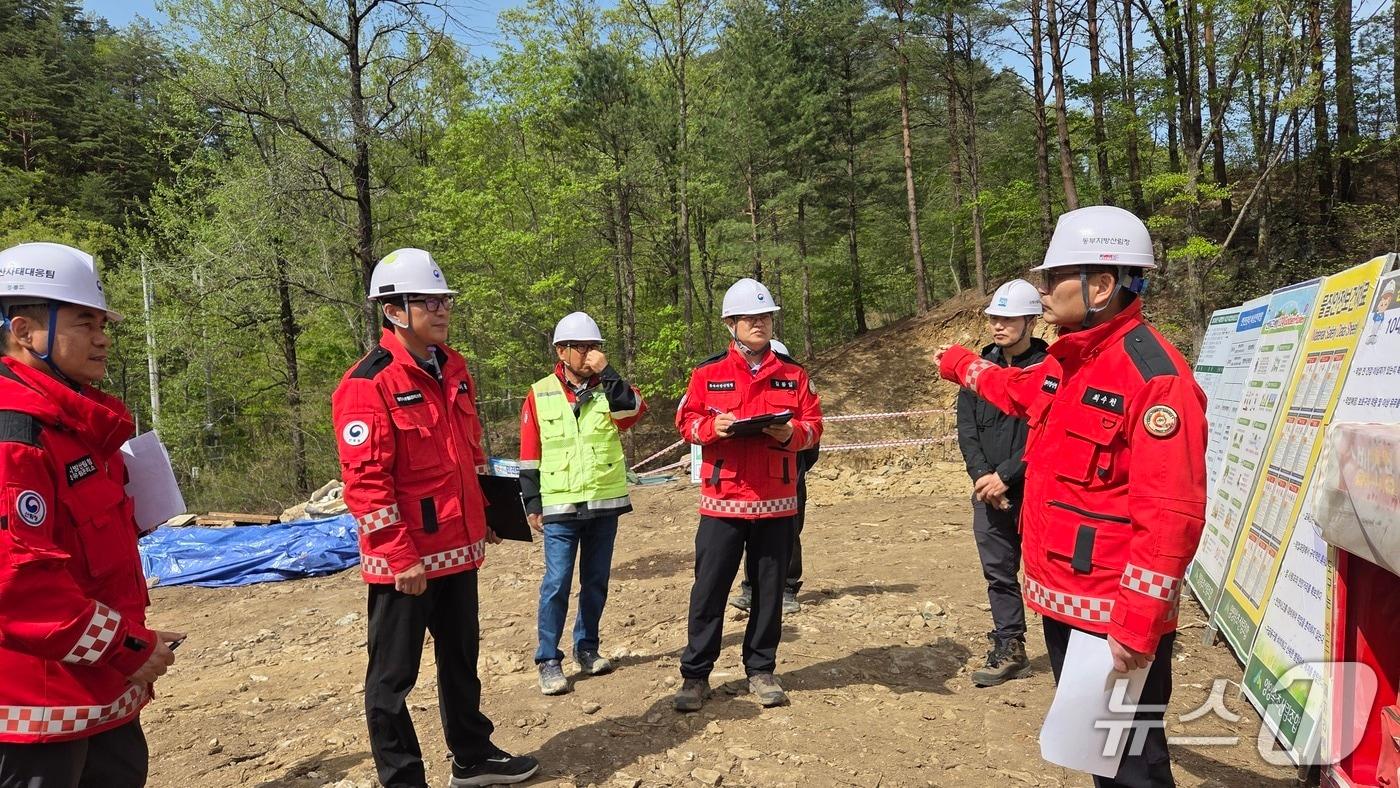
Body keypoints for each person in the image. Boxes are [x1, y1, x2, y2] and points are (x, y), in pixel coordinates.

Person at [935, 206, 1207, 788]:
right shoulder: (1073, 359)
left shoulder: (1154, 377)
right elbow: (1014, 389)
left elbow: (1171, 514)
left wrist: (1137, 624)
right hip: (1066, 602)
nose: (1042, 290)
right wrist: (960, 364)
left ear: (1101, 284)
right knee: (1098, 756)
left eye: (1053, 276)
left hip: (1113, 616)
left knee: (1133, 764)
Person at [332, 248, 538, 788]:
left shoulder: (453, 366)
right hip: (406, 562)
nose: (442, 310)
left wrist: (485, 512)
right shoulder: (366, 384)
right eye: (428, 301)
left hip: (457, 546)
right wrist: (399, 555)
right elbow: (365, 484)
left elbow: (469, 453)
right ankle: (402, 779)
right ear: (394, 310)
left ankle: (471, 756)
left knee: (461, 661)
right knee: (392, 681)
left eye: (444, 300)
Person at [0, 242, 182, 787]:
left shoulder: (78, 426)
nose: (103, 337)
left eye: (104, 323)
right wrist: (127, 646)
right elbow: (19, 584)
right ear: (26, 331)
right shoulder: (16, 437)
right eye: (84, 322)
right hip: (38, 711)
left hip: (100, 695)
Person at [672, 279, 823, 712]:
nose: (759, 323)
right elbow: (686, 422)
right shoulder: (707, 374)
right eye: (750, 318)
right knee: (709, 590)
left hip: (776, 501)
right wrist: (711, 428)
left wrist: (792, 432)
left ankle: (761, 670)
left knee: (769, 590)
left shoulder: (794, 374)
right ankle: (695, 676)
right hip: (723, 500)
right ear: (731, 325)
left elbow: (814, 427)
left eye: (765, 317)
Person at [518, 311, 647, 696]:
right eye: (583, 347)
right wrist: (531, 502)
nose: (590, 353)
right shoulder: (539, 392)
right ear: (561, 351)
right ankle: (548, 659)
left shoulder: (611, 386)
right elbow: (530, 453)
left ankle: (587, 649)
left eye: (595, 346)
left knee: (595, 582)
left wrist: (610, 374)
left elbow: (632, 412)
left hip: (604, 501)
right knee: (556, 582)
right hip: (559, 504)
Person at [956, 279, 1049, 687]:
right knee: (999, 573)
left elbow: (1046, 433)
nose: (998, 325)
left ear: (1030, 320)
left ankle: (1075, 652)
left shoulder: (1052, 369)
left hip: (1038, 489)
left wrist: (1007, 476)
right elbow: (967, 430)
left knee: (1049, 572)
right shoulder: (979, 370)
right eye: (994, 317)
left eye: (1008, 318)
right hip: (988, 492)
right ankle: (1011, 646)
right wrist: (983, 479)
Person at [728, 338, 820, 615]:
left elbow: (813, 440)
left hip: (790, 473)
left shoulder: (798, 386)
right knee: (752, 528)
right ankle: (751, 588)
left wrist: (797, 462)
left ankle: (788, 588)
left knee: (790, 532)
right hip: (756, 477)